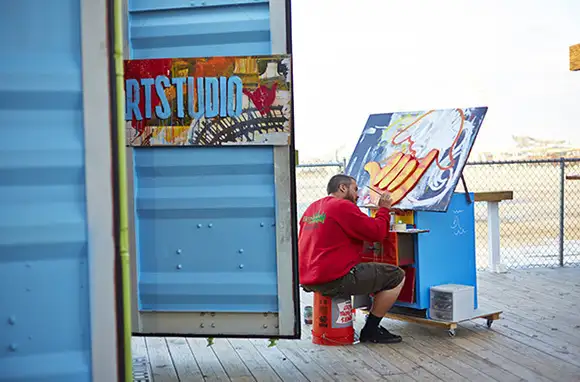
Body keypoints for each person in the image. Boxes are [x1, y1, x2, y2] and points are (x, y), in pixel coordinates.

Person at [299, 174, 405, 344]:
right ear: (342, 187)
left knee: (370, 270)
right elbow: (377, 233)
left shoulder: (312, 208)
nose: (357, 195)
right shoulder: (342, 206)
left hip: (308, 278)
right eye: (355, 189)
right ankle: (371, 330)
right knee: (397, 275)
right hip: (334, 279)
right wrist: (384, 209)